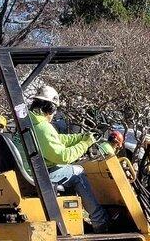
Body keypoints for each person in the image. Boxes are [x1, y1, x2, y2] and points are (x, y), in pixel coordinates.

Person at [15, 85, 110, 233]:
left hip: (32, 171)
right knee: (77, 172)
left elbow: (57, 139)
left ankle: (70, 217)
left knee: (69, 172)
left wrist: (81, 137)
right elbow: (63, 156)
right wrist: (86, 144)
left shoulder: (30, 123)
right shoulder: (42, 127)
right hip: (39, 175)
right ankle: (100, 220)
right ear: (51, 108)